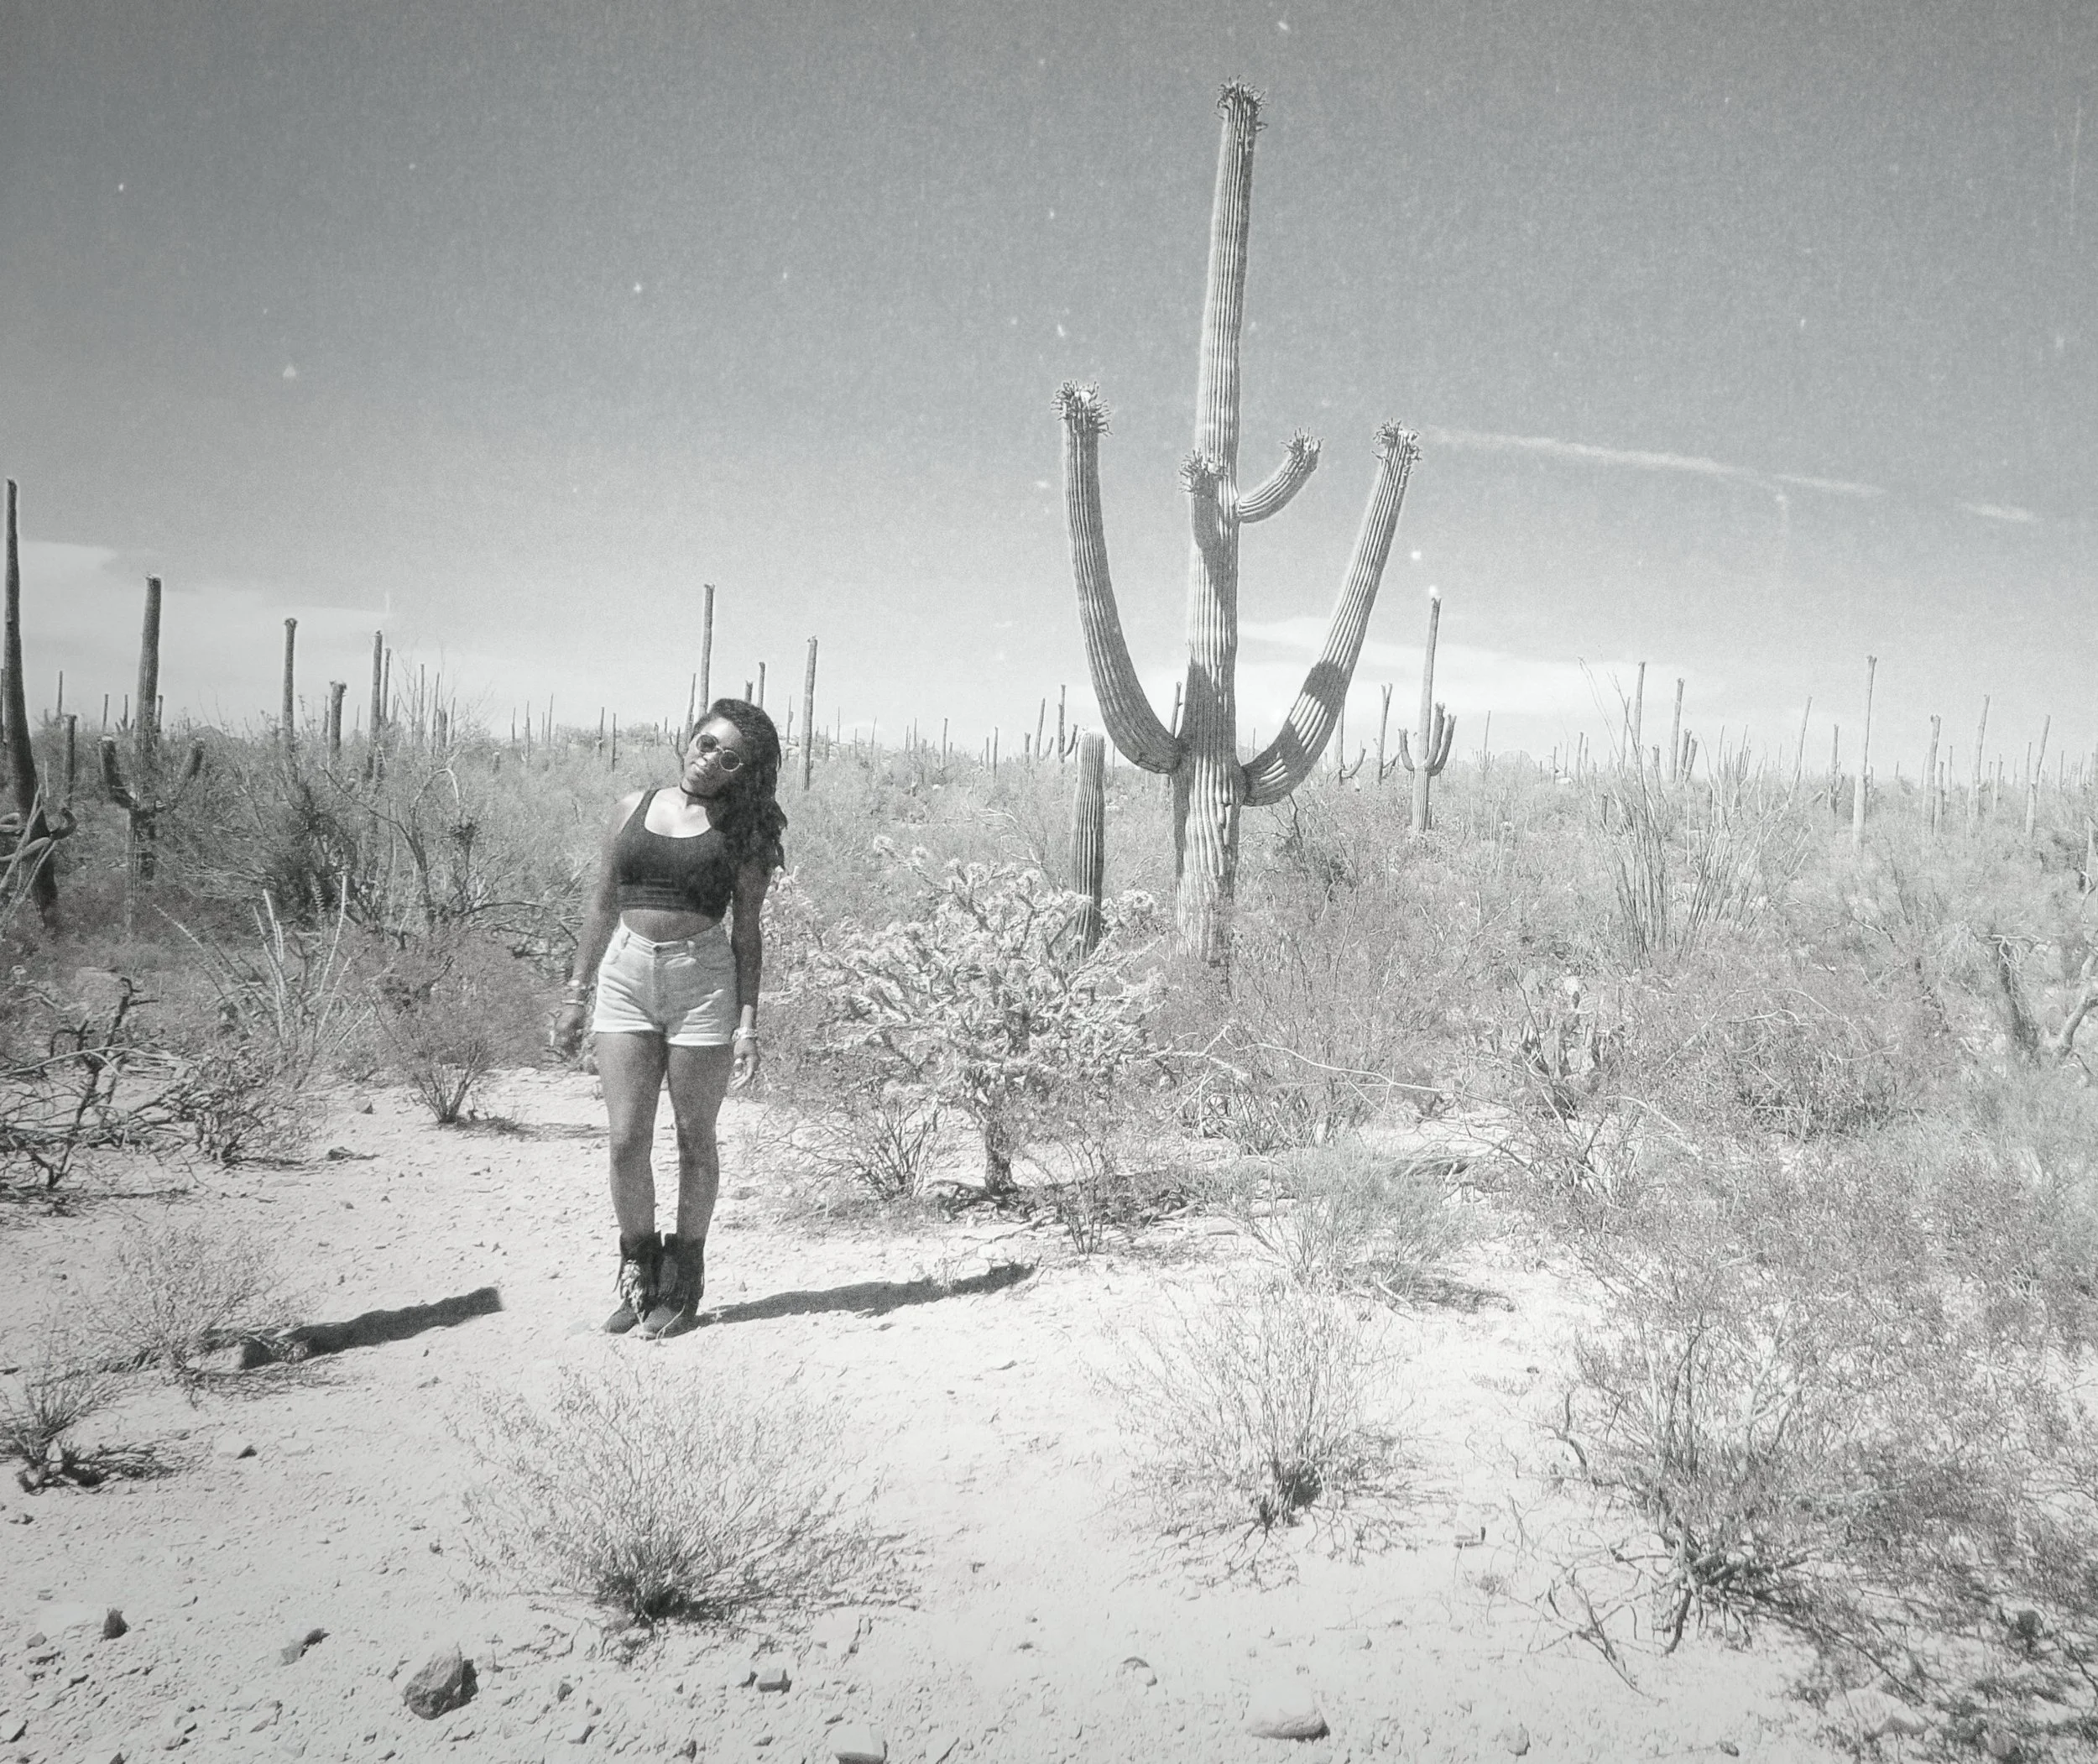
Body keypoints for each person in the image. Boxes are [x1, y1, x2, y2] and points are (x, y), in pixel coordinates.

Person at [551, 700, 785, 1339]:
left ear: (745, 772)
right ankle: (638, 1269)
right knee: (626, 1138)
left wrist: (748, 1024)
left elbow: (749, 934)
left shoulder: (744, 833)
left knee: (693, 1140)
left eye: (729, 758)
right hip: (625, 977)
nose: (708, 760)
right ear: (690, 736)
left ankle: (683, 1280)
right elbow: (601, 903)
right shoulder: (631, 806)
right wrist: (577, 992)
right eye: (706, 742)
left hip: (702, 983)